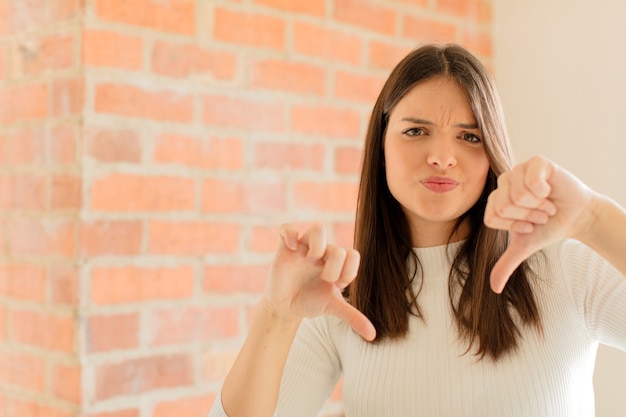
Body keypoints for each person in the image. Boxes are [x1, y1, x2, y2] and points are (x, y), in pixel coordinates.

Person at [208, 44, 626, 417]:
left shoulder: (566, 268)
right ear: (382, 145)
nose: (442, 157)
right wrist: (276, 314)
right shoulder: (341, 299)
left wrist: (593, 218)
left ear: (493, 153)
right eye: (415, 131)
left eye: (469, 136)